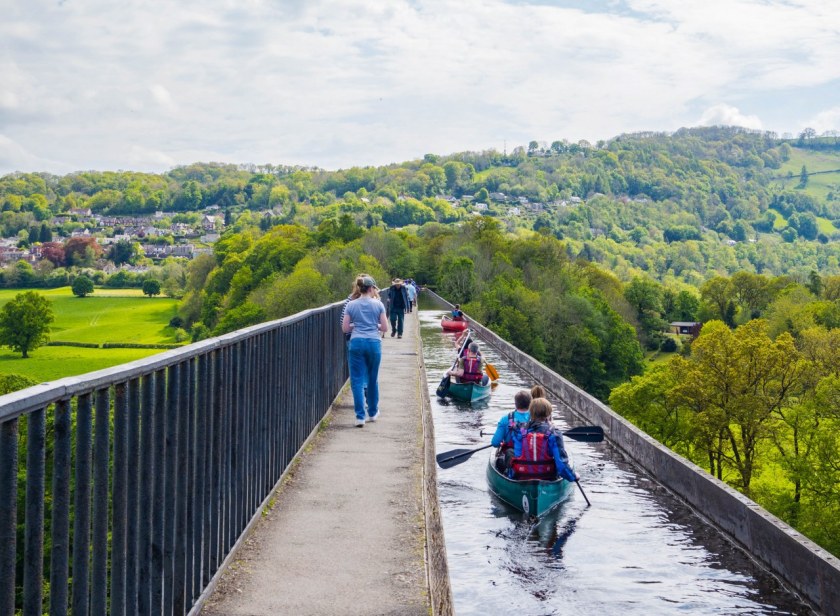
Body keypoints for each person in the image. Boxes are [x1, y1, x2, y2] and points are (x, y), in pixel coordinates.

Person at [342, 275, 389, 427]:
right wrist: (374, 325)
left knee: (356, 380)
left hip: (356, 342)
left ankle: (360, 417)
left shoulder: (351, 305)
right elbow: (385, 327)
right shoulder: (378, 304)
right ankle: (373, 413)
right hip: (374, 343)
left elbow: (345, 328)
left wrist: (356, 325)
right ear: (371, 288)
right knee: (372, 379)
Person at [509, 398, 577, 482]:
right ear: (548, 414)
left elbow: (517, 453)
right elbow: (561, 466)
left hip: (521, 474)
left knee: (509, 453)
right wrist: (573, 477)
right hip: (547, 476)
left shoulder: (519, 430)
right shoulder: (555, 433)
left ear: (531, 413)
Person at [490, 390, 532, 472]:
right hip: (532, 455)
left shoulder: (505, 419)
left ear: (515, 404)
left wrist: (501, 442)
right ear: (530, 404)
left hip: (513, 457)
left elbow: (495, 443)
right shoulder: (536, 418)